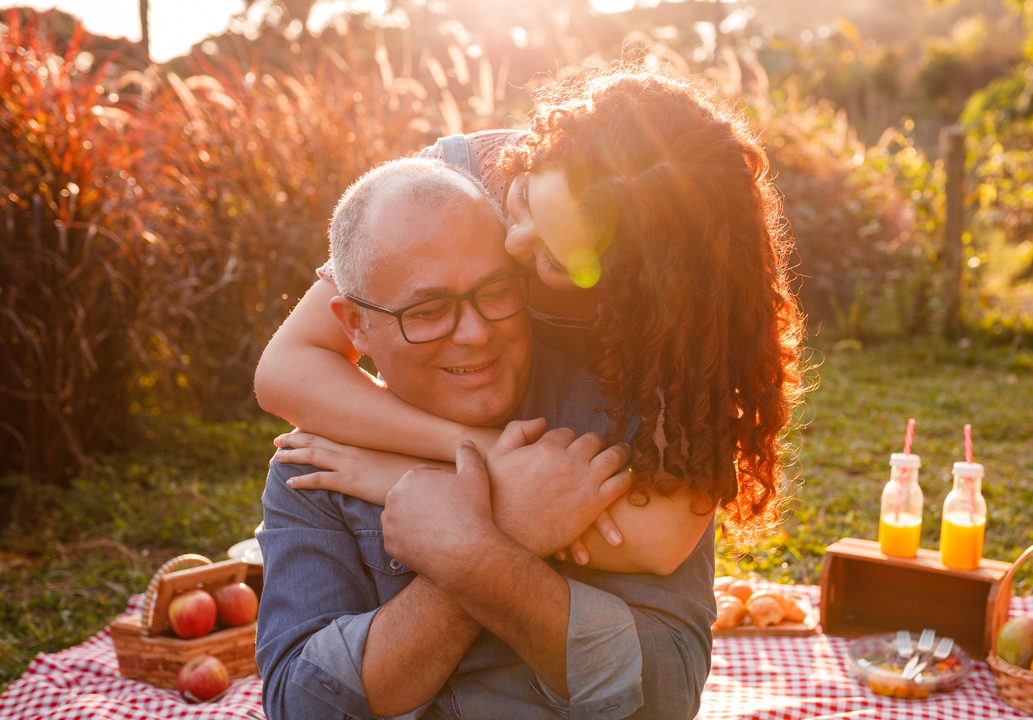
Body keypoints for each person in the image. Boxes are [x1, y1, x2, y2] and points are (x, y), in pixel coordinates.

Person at [66, 158, 757, 720]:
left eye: (495, 293)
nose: (475, 333)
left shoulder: (628, 415)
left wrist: (475, 543)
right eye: (428, 312)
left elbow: (664, 693)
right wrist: (502, 533)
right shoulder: (321, 455)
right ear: (354, 326)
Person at [254, 64, 804, 570]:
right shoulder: (459, 178)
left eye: (554, 260)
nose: (513, 244)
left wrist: (408, 480)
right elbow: (286, 370)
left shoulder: (681, 309)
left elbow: (659, 541)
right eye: (523, 200)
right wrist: (487, 455)